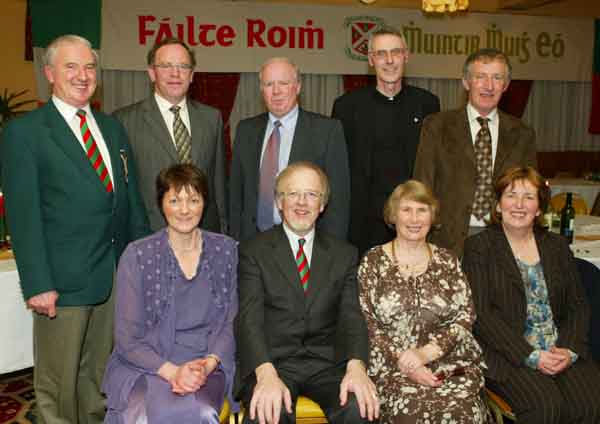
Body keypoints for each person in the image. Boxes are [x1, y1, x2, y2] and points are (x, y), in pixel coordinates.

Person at [0, 34, 150, 424]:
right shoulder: (25, 132)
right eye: (71, 66)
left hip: (113, 274)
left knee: (99, 376)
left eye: (89, 67)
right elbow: (23, 215)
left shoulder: (111, 128)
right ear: (49, 73)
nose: (83, 76)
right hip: (61, 281)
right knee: (57, 384)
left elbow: (129, 201)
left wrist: (138, 266)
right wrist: (37, 283)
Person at [236, 161, 379, 424]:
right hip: (273, 361)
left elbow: (351, 316)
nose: (302, 203)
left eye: (311, 194)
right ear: (279, 202)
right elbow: (249, 319)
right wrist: (265, 373)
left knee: (361, 408)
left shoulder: (344, 254)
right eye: (293, 194)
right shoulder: (253, 251)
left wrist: (357, 366)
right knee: (268, 413)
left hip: (326, 363)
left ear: (322, 205)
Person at [462, 166, 600, 423]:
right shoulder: (479, 248)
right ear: (499, 205)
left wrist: (569, 350)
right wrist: (532, 355)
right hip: (509, 354)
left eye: (529, 197)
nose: (519, 204)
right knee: (546, 407)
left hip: (560, 348)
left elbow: (578, 305)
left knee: (590, 405)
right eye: (511, 195)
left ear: (538, 209)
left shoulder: (557, 246)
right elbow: (481, 313)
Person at [102, 164, 237, 423]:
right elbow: (127, 339)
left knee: (200, 412)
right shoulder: (138, 255)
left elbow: (231, 322)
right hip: (149, 364)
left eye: (193, 200)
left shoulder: (226, 251)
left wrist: (207, 365)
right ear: (161, 204)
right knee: (139, 415)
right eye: (174, 200)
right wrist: (173, 372)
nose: (184, 210)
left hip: (206, 365)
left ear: (204, 203)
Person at [358, 180, 489, 423]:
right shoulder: (373, 261)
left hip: (449, 364)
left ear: (432, 216)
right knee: (411, 411)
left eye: (422, 210)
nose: (414, 219)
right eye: (406, 210)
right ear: (393, 215)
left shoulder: (448, 261)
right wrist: (408, 362)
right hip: (392, 368)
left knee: (465, 413)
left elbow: (465, 316)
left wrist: (427, 353)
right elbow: (368, 324)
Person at [414, 48, 536, 256]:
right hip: (445, 241)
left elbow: (530, 192)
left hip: (502, 240)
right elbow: (422, 186)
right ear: (466, 82)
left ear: (505, 85)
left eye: (497, 78)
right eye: (480, 77)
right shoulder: (437, 126)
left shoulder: (522, 134)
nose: (489, 86)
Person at [332, 27, 440, 255]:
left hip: (413, 222)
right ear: (371, 59)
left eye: (396, 52)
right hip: (362, 228)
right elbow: (338, 172)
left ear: (406, 56)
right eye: (381, 54)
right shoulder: (346, 107)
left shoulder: (428, 104)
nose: (389, 61)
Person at [229, 57, 350, 241]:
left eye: (283, 83)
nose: (276, 91)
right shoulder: (246, 130)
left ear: (298, 87)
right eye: (269, 84)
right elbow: (236, 194)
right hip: (251, 245)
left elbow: (338, 201)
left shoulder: (327, 131)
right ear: (262, 89)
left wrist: (330, 251)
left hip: (306, 243)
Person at [115, 37, 227, 234]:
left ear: (192, 75)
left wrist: (223, 232)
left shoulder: (212, 118)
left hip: (204, 237)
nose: (175, 73)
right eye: (166, 66)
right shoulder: (123, 121)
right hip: (148, 237)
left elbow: (218, 185)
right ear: (152, 73)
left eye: (183, 66)